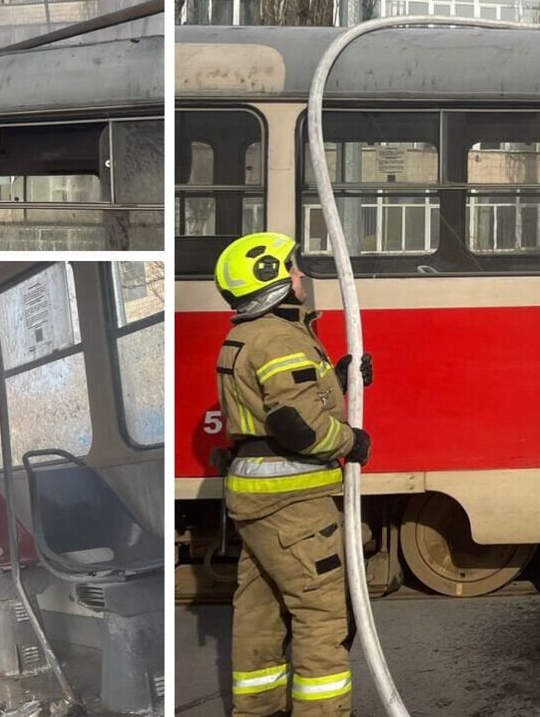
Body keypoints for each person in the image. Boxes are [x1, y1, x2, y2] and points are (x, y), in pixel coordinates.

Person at [214, 231, 373, 716]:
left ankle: (258, 711)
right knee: (322, 617)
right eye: (293, 268)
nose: (301, 275)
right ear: (274, 280)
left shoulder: (249, 333)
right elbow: (296, 427)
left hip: (256, 500)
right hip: (293, 502)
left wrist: (340, 377)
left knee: (259, 615)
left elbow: (277, 404)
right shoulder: (281, 336)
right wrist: (353, 442)